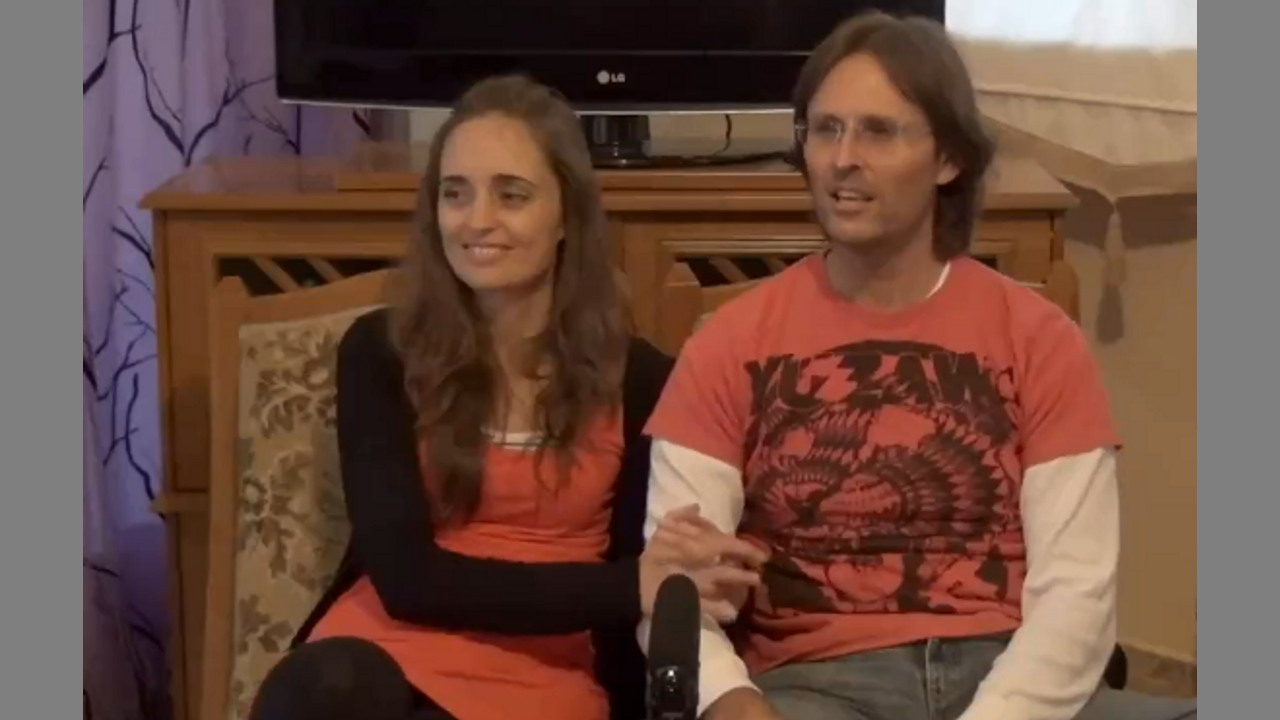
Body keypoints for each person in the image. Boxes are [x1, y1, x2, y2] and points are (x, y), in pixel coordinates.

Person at [637, 12, 1198, 720]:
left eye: (879, 131)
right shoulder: (728, 343)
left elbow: (1076, 593)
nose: (843, 158)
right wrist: (733, 701)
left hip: (1013, 675)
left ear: (948, 159)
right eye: (825, 129)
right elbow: (675, 591)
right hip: (818, 685)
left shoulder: (1040, 338)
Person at [246, 74, 766, 720]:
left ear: (567, 216)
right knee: (323, 688)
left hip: (543, 675)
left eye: (511, 194)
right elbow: (406, 580)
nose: (477, 220)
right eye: (455, 193)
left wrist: (690, 570)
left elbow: (666, 568)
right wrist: (628, 585)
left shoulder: (640, 381)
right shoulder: (381, 353)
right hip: (380, 656)